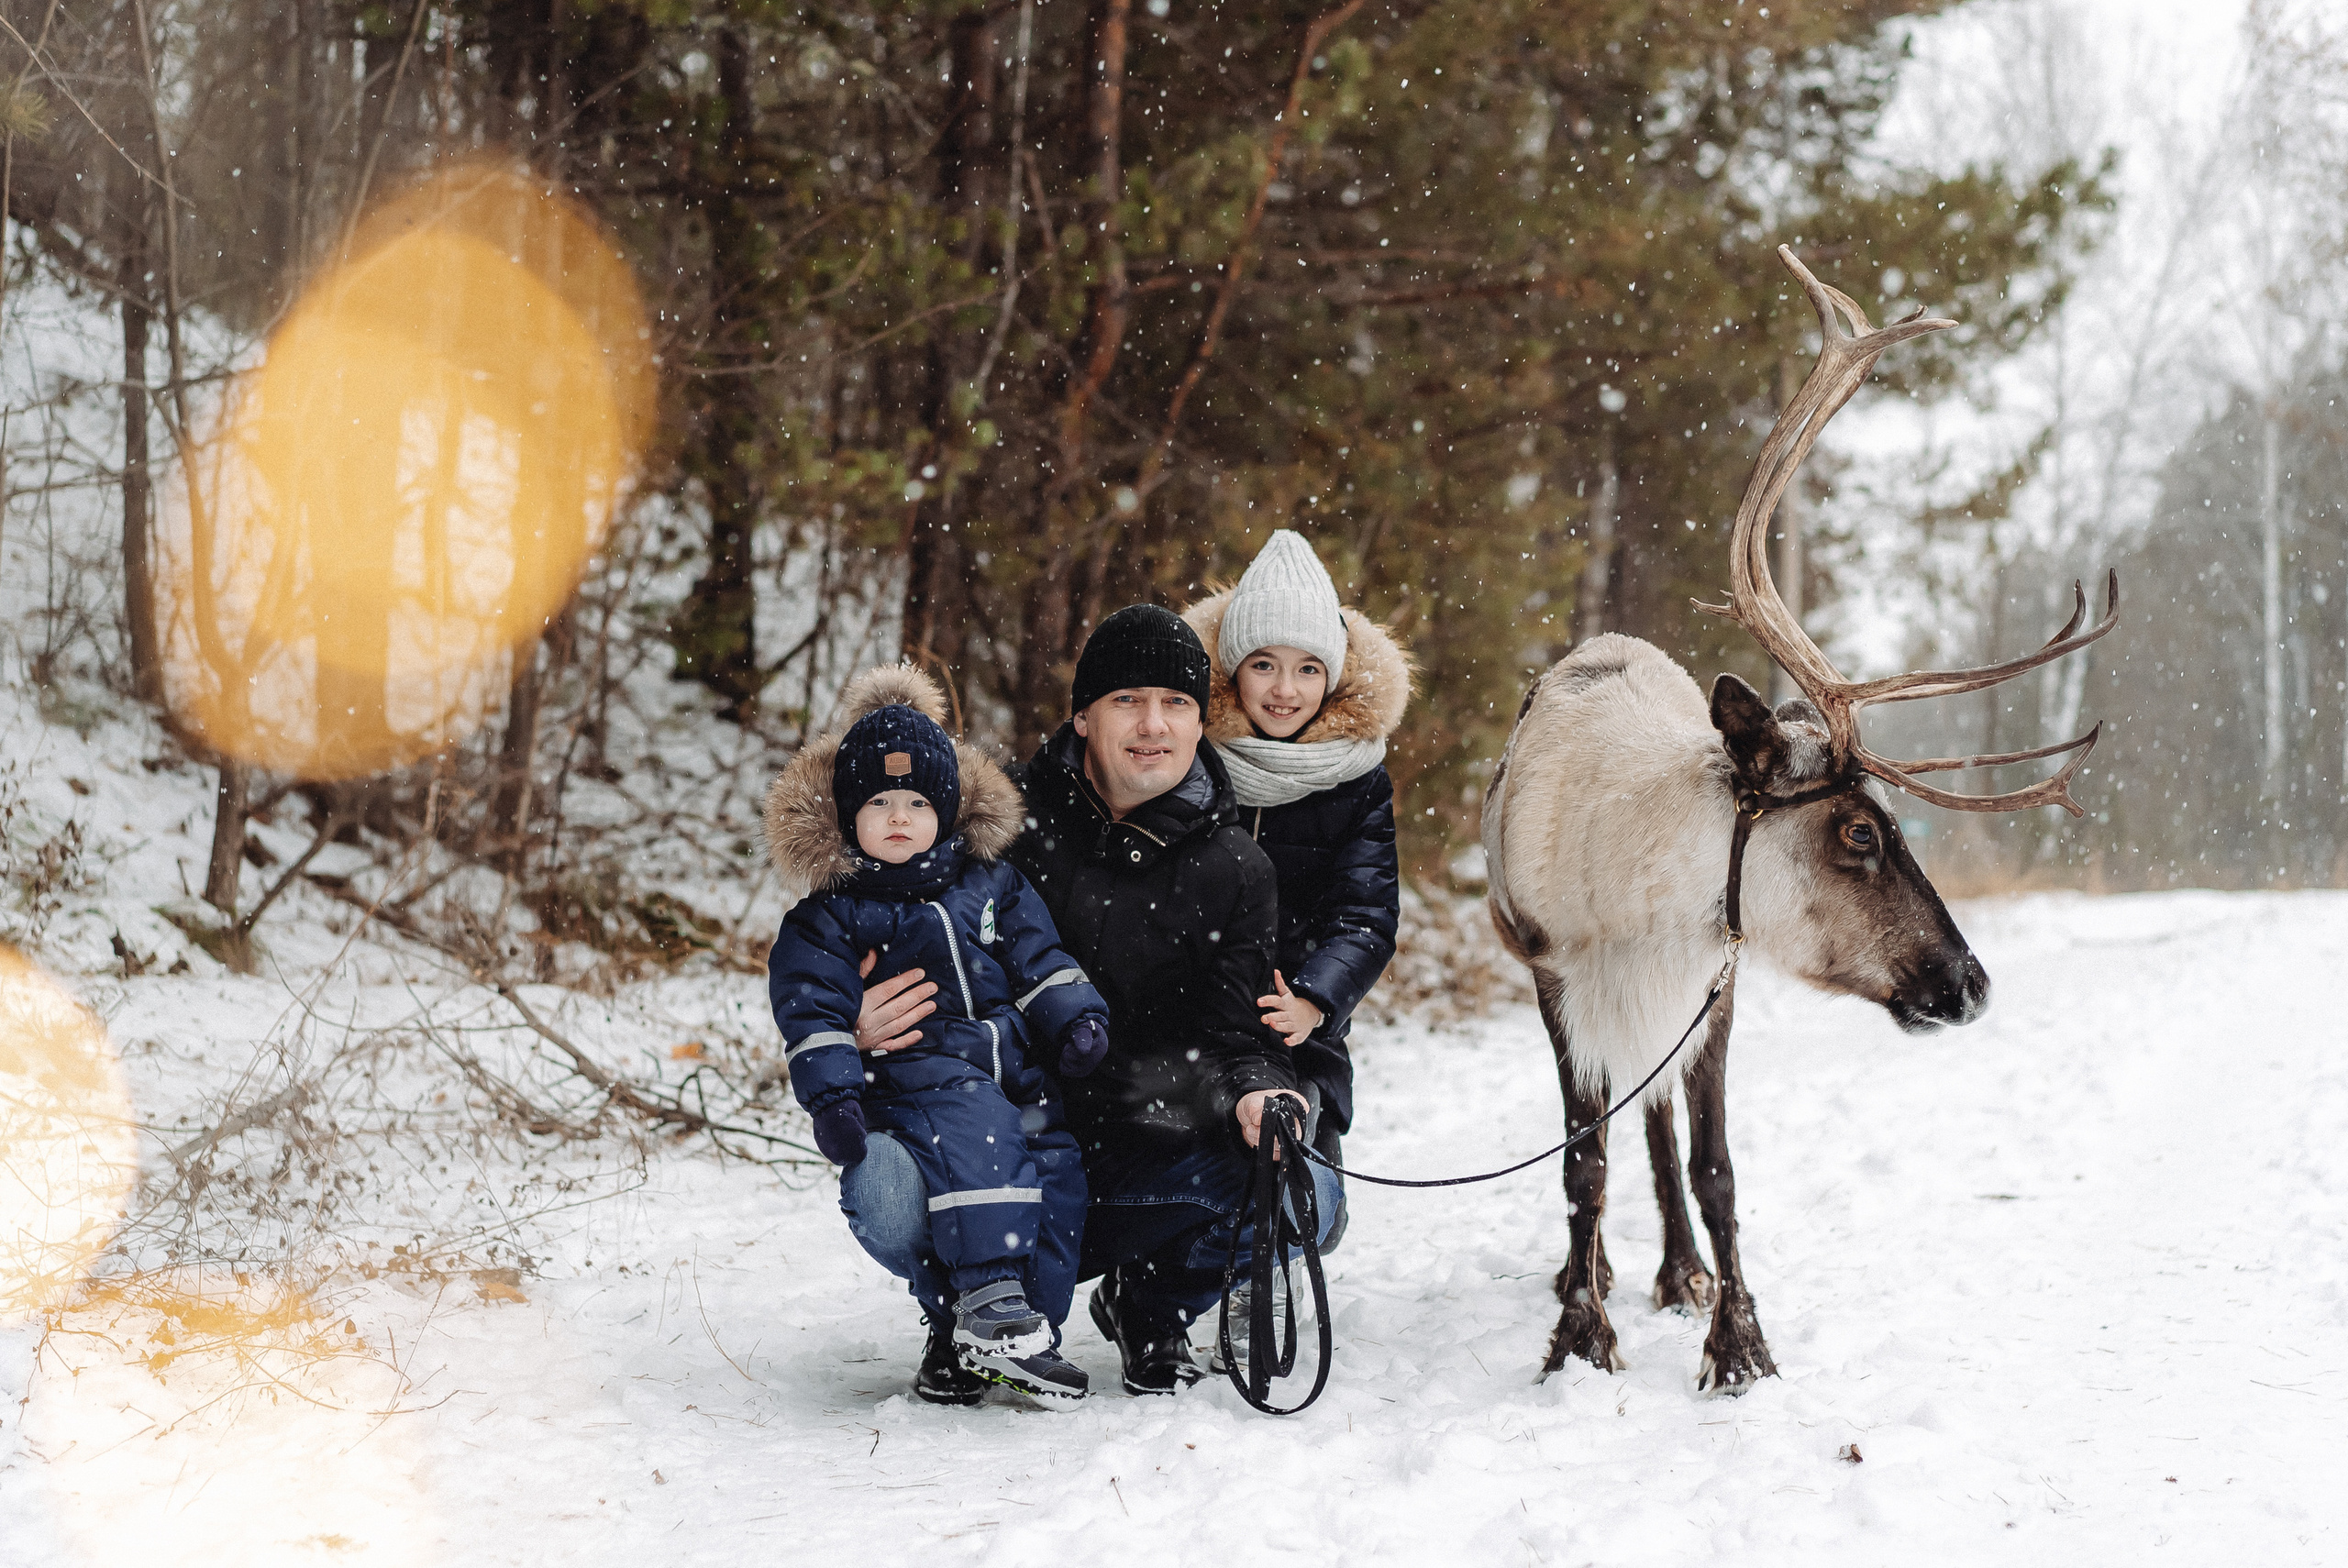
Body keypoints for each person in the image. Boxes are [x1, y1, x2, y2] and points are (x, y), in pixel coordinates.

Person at [1004, 603, 1342, 1395]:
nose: (1153, 724)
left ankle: (1151, 1306)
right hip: (1017, 1139)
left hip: (1147, 1136)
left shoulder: (1234, 867)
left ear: (1200, 724)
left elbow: (1237, 1036)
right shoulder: (1005, 825)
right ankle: (964, 1313)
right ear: (1083, 716)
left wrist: (1258, 1091)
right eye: (1127, 700)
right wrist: (860, 1013)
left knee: (1306, 1191)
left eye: (1177, 703)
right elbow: (891, 910)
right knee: (891, 1180)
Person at [764, 666, 1110, 1408]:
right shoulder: (831, 917)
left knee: (1057, 1173)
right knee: (979, 1135)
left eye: (917, 802)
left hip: (1012, 1073)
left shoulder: (990, 886)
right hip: (917, 1080)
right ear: (846, 817)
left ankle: (1009, 1333)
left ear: (947, 813)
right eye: (879, 802)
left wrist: (1075, 1015)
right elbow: (811, 1012)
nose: (898, 817)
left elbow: (1040, 957)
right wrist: (834, 1097)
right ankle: (988, 1299)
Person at [1180, 529, 1409, 1256]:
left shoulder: (1357, 776)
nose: (1285, 689)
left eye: (1308, 668)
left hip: (1294, 1020)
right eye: (1265, 665)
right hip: (1190, 1013)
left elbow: (1366, 913)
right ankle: (1153, 1293)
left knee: (1306, 1198)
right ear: (1231, 670)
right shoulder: (1185, 757)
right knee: (1175, 1158)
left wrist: (1315, 997)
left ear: (1333, 678)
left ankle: (1263, 1265)